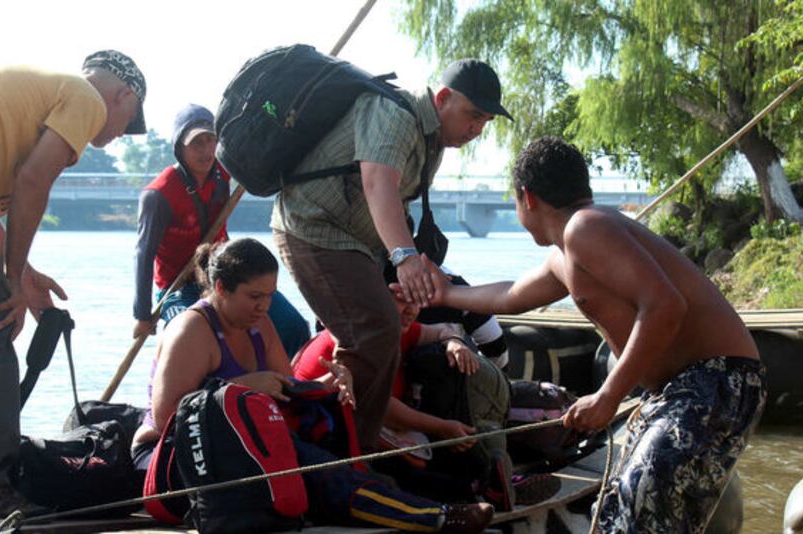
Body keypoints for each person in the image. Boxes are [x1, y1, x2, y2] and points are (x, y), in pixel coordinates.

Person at [423, 137, 766, 533]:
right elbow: (512, 295)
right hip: (679, 390)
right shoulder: (569, 251)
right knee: (616, 517)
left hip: (716, 380)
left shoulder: (587, 228)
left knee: (641, 514)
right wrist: (445, 292)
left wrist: (608, 396)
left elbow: (665, 306)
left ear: (526, 197)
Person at [0, 50, 148, 523]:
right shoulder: (85, 98)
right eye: (130, 120)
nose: (121, 133)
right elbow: (33, 180)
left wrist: (27, 276)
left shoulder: (34, 99)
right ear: (123, 95)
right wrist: (12, 282)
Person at [131, 238, 494, 533]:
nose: (264, 306)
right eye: (254, 297)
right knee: (310, 466)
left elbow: (286, 389)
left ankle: (449, 500)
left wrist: (329, 382)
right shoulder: (192, 329)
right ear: (221, 288)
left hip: (236, 448)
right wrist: (243, 384)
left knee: (333, 457)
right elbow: (167, 419)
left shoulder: (259, 324)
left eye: (270, 295)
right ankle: (433, 518)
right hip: (174, 457)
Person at [271, 58, 512, 451]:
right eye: (473, 116)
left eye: (485, 121)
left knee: (387, 326)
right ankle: (351, 453)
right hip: (313, 229)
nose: (477, 130)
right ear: (444, 98)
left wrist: (410, 265)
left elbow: (395, 203)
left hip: (357, 243)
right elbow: (377, 180)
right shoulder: (393, 112)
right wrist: (404, 257)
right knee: (377, 329)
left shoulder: (430, 139)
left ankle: (347, 444)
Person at [294, 286, 556, 511]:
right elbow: (380, 407)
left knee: (440, 413)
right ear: (372, 299)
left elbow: (442, 330)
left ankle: (492, 481)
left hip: (375, 423)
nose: (410, 309)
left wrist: (454, 342)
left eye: (414, 300)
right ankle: (480, 488)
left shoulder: (394, 328)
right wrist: (440, 428)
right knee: (411, 464)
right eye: (399, 299)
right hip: (330, 434)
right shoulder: (355, 340)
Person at [132, 104, 311, 355]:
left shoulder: (223, 173)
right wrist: (141, 315)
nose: (206, 151)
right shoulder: (158, 195)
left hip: (223, 276)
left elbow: (259, 153)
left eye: (210, 141)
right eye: (196, 144)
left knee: (293, 327)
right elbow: (143, 254)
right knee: (188, 340)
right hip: (178, 288)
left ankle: (290, 387)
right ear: (179, 148)